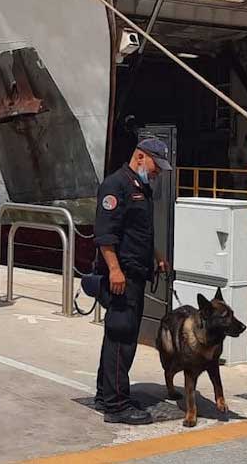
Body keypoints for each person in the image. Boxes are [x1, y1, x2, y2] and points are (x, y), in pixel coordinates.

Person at [92, 137, 172, 425]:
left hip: (137, 272)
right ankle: (116, 406)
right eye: (155, 165)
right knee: (122, 337)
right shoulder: (116, 186)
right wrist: (114, 270)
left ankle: (106, 393)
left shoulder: (140, 188)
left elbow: (138, 231)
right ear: (140, 157)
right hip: (122, 276)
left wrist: (156, 255)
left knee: (118, 334)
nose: (157, 172)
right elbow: (106, 234)